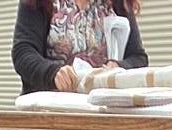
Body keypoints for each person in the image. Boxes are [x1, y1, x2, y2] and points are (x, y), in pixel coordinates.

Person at [12, 0, 147, 94]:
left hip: (101, 111)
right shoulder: (40, 3)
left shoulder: (118, 5)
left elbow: (138, 58)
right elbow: (23, 52)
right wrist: (52, 73)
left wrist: (118, 67)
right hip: (50, 111)